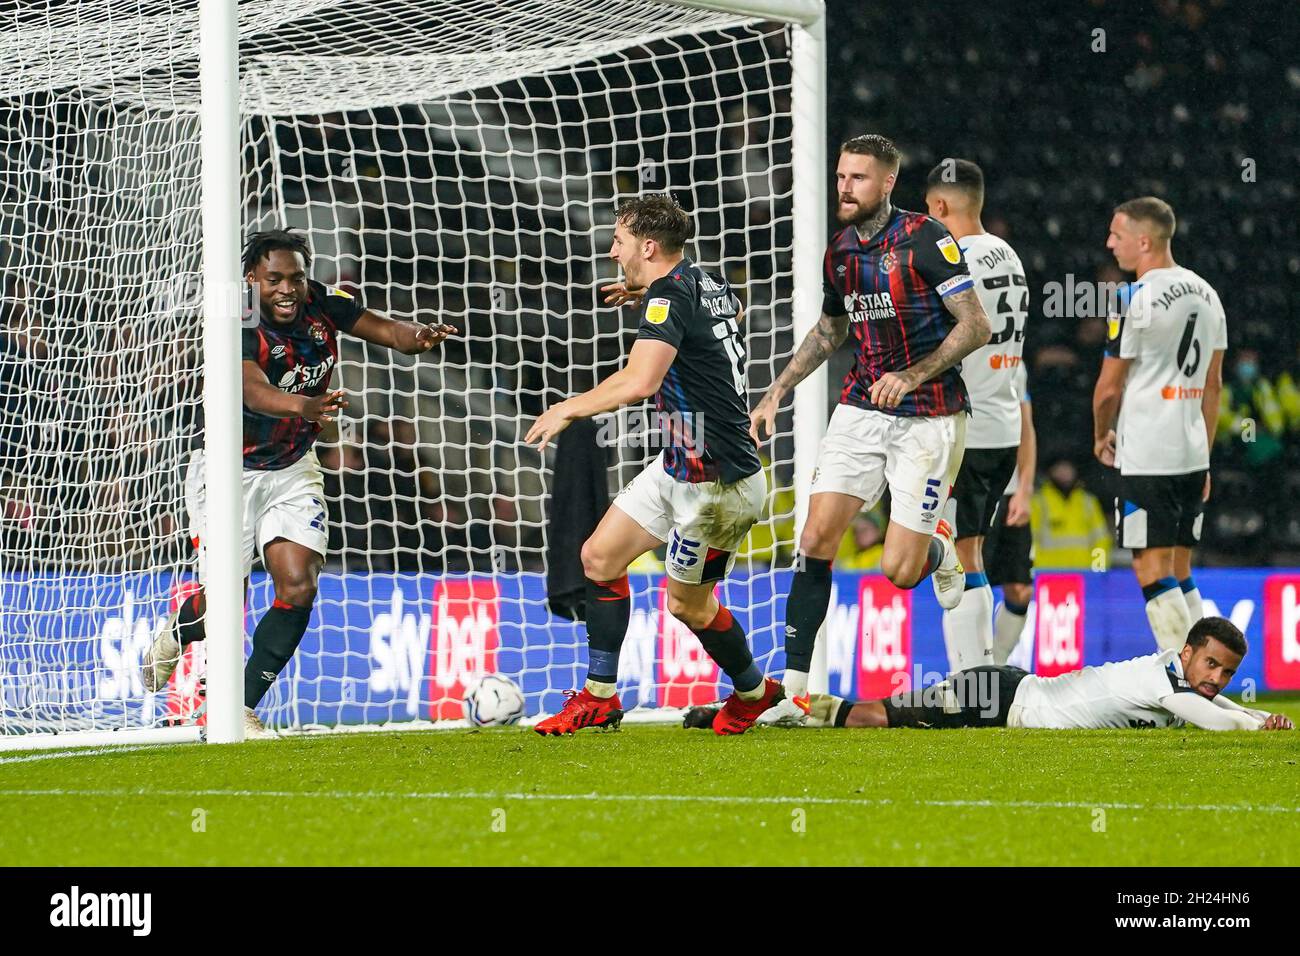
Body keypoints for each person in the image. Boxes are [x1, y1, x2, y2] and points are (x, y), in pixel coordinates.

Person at [142, 229, 456, 736]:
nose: (287, 289)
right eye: (274, 280)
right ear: (251, 280)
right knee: (225, 602)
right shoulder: (233, 318)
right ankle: (179, 634)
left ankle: (237, 705)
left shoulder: (321, 303)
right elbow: (250, 389)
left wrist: (416, 337)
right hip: (228, 470)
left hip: (291, 466)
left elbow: (386, 329)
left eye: (296, 277)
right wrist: (305, 406)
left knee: (299, 583)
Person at [749, 134, 991, 720]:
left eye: (858, 178)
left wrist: (911, 375)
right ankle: (796, 692)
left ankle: (936, 548)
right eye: (840, 177)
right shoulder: (839, 252)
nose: (845, 188)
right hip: (861, 407)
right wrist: (778, 390)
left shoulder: (927, 239)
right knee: (813, 539)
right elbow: (831, 331)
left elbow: (976, 326)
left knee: (899, 572)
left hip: (929, 415)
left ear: (887, 183)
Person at [526, 194, 779, 736]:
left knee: (687, 606)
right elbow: (730, 312)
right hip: (679, 465)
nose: (613, 251)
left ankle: (756, 693)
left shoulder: (667, 299)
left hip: (719, 485)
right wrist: (646, 291)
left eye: (619, 240)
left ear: (647, 245)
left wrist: (567, 408)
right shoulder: (704, 282)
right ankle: (599, 697)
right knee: (598, 557)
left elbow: (640, 382)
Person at [1092, 197, 1226, 651]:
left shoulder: (1131, 299)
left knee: (1151, 571)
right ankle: (1210, 673)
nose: (1110, 243)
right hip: (1190, 454)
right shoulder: (1208, 294)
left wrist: (1099, 434)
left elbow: (1109, 388)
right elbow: (1214, 387)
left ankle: (1183, 679)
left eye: (1117, 235)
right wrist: (1204, 457)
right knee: (1180, 569)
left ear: (1144, 241)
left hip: (1148, 454)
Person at [799, 617, 1294, 732]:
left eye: (1227, 672)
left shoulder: (1177, 672)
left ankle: (792, 707)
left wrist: (1259, 713)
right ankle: (787, 707)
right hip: (998, 695)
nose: (1217, 679)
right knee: (874, 718)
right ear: (1187, 653)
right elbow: (1209, 717)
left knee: (881, 718)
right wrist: (1255, 726)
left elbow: (1215, 703)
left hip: (1012, 693)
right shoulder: (1160, 681)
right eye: (1211, 664)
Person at [925, 158, 1029, 673]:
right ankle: (977, 674)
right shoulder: (1009, 255)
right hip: (1003, 426)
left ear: (941, 206)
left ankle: (970, 681)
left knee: (957, 556)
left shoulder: (953, 257)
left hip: (963, 427)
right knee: (971, 550)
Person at [986, 372, 1036, 664]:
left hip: (1010, 492)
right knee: (973, 586)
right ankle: (970, 671)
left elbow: (1026, 429)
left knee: (1020, 589)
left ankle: (996, 666)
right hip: (975, 491)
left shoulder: (1015, 362)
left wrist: (1024, 489)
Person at [1030, 457, 1111, 569]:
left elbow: (1101, 540)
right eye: (1060, 467)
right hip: (1048, 576)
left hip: (1083, 575)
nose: (1065, 473)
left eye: (1068, 467)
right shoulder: (1038, 503)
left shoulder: (1088, 502)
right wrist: (1034, 570)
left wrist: (1098, 569)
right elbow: (1031, 541)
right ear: (1050, 471)